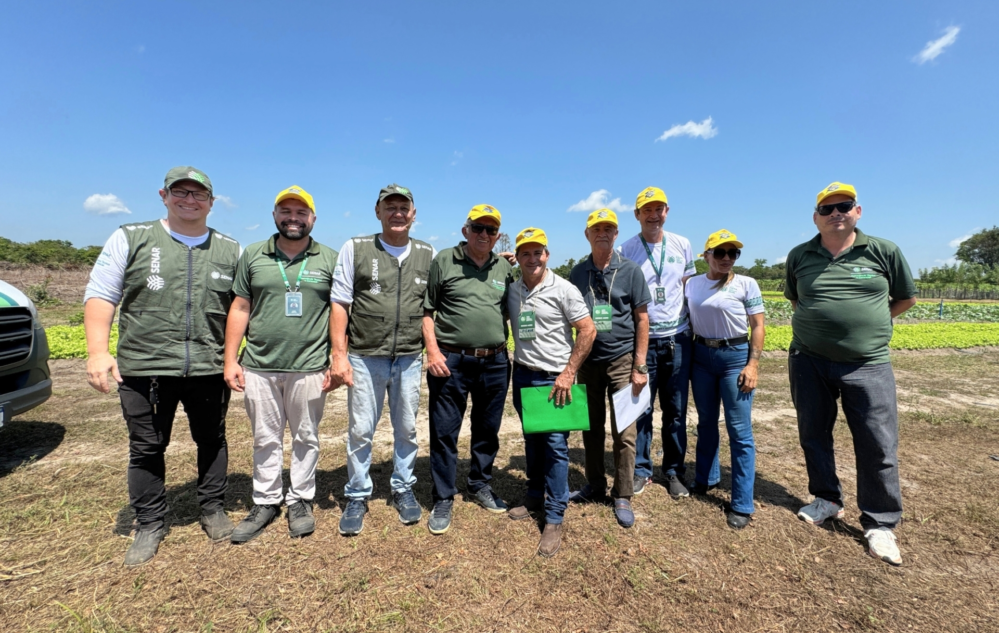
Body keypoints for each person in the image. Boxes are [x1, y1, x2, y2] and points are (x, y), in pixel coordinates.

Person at [83, 166, 240, 566]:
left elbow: (241, 309)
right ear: (163, 195)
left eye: (198, 194)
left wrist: (235, 358)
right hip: (146, 368)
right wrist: (98, 352)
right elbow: (101, 295)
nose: (190, 201)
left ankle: (212, 509)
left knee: (212, 438)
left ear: (211, 201)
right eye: (180, 193)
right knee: (147, 447)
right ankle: (150, 522)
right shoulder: (131, 238)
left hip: (207, 366)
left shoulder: (230, 249)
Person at [785, 181, 917, 566]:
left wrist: (873, 324)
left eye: (844, 206)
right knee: (813, 432)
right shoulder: (800, 255)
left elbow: (906, 297)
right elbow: (797, 297)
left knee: (877, 442)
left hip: (868, 363)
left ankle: (880, 522)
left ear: (858, 211)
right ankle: (826, 498)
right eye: (827, 209)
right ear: (816, 218)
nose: (835, 213)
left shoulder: (882, 250)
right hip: (808, 360)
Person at [223, 186, 339, 543]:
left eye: (301, 212)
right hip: (259, 364)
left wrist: (337, 359)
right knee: (265, 438)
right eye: (286, 211)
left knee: (306, 437)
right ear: (275, 216)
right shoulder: (254, 255)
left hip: (309, 366)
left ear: (313, 218)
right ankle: (266, 500)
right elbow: (240, 307)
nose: (293, 218)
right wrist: (230, 359)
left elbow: (339, 312)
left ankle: (301, 499)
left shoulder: (329, 258)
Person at [330, 184, 435, 536]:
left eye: (404, 207)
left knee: (406, 428)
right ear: (378, 212)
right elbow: (340, 302)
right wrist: (339, 355)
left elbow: (430, 306)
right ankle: (357, 493)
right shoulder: (356, 248)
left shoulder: (426, 253)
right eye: (390, 207)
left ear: (414, 213)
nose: (398, 213)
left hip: (408, 356)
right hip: (364, 355)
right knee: (361, 430)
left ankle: (403, 488)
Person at [422, 205, 513, 534]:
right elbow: (427, 310)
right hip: (451, 360)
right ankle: (444, 496)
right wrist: (432, 352)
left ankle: (479, 484)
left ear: (498, 235)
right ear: (466, 230)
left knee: (487, 429)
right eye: (478, 228)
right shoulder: (444, 261)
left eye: (491, 231)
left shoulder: (504, 268)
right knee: (445, 430)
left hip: (496, 360)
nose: (484, 235)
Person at [507, 227, 596, 557]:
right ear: (517, 257)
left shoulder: (563, 289)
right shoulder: (513, 288)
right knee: (532, 438)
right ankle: (533, 495)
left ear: (547, 254)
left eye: (538, 252)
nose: (532, 259)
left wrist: (569, 372)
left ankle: (555, 516)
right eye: (525, 253)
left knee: (556, 446)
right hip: (523, 375)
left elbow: (588, 329)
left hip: (554, 380)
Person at [567, 209, 651, 528]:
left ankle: (623, 494)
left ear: (616, 234)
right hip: (588, 363)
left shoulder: (630, 271)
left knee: (625, 432)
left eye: (609, 228)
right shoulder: (577, 273)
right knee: (590, 428)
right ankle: (594, 484)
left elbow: (642, 319)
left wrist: (639, 364)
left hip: (622, 360)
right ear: (587, 234)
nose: (602, 233)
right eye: (596, 228)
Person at [617, 186, 696, 497]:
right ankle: (641, 469)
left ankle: (674, 470)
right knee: (642, 408)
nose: (653, 214)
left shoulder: (683, 245)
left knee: (676, 410)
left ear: (667, 211)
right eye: (646, 210)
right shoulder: (626, 250)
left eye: (659, 208)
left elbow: (689, 288)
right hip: (644, 341)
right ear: (637, 215)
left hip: (678, 337)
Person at [685, 229, 765, 529]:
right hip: (701, 355)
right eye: (720, 253)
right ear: (706, 256)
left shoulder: (747, 284)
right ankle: (706, 477)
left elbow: (757, 325)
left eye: (733, 253)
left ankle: (742, 502)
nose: (727, 258)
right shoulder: (691, 284)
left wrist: (753, 364)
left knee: (739, 429)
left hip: (734, 357)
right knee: (706, 422)